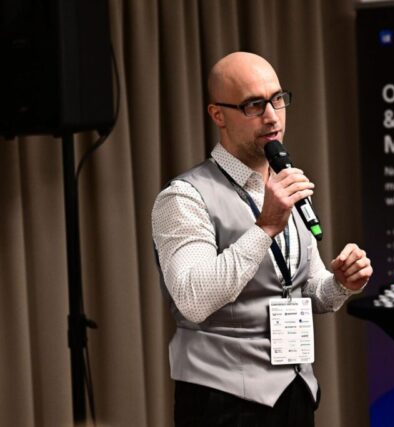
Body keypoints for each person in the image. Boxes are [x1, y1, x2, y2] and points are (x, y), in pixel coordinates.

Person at [151, 51, 373, 427]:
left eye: (277, 99)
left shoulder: (285, 182)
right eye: (254, 104)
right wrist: (264, 227)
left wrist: (340, 282)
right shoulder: (184, 197)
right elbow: (192, 299)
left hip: (295, 392)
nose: (272, 116)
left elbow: (305, 289)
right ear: (218, 115)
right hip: (221, 401)